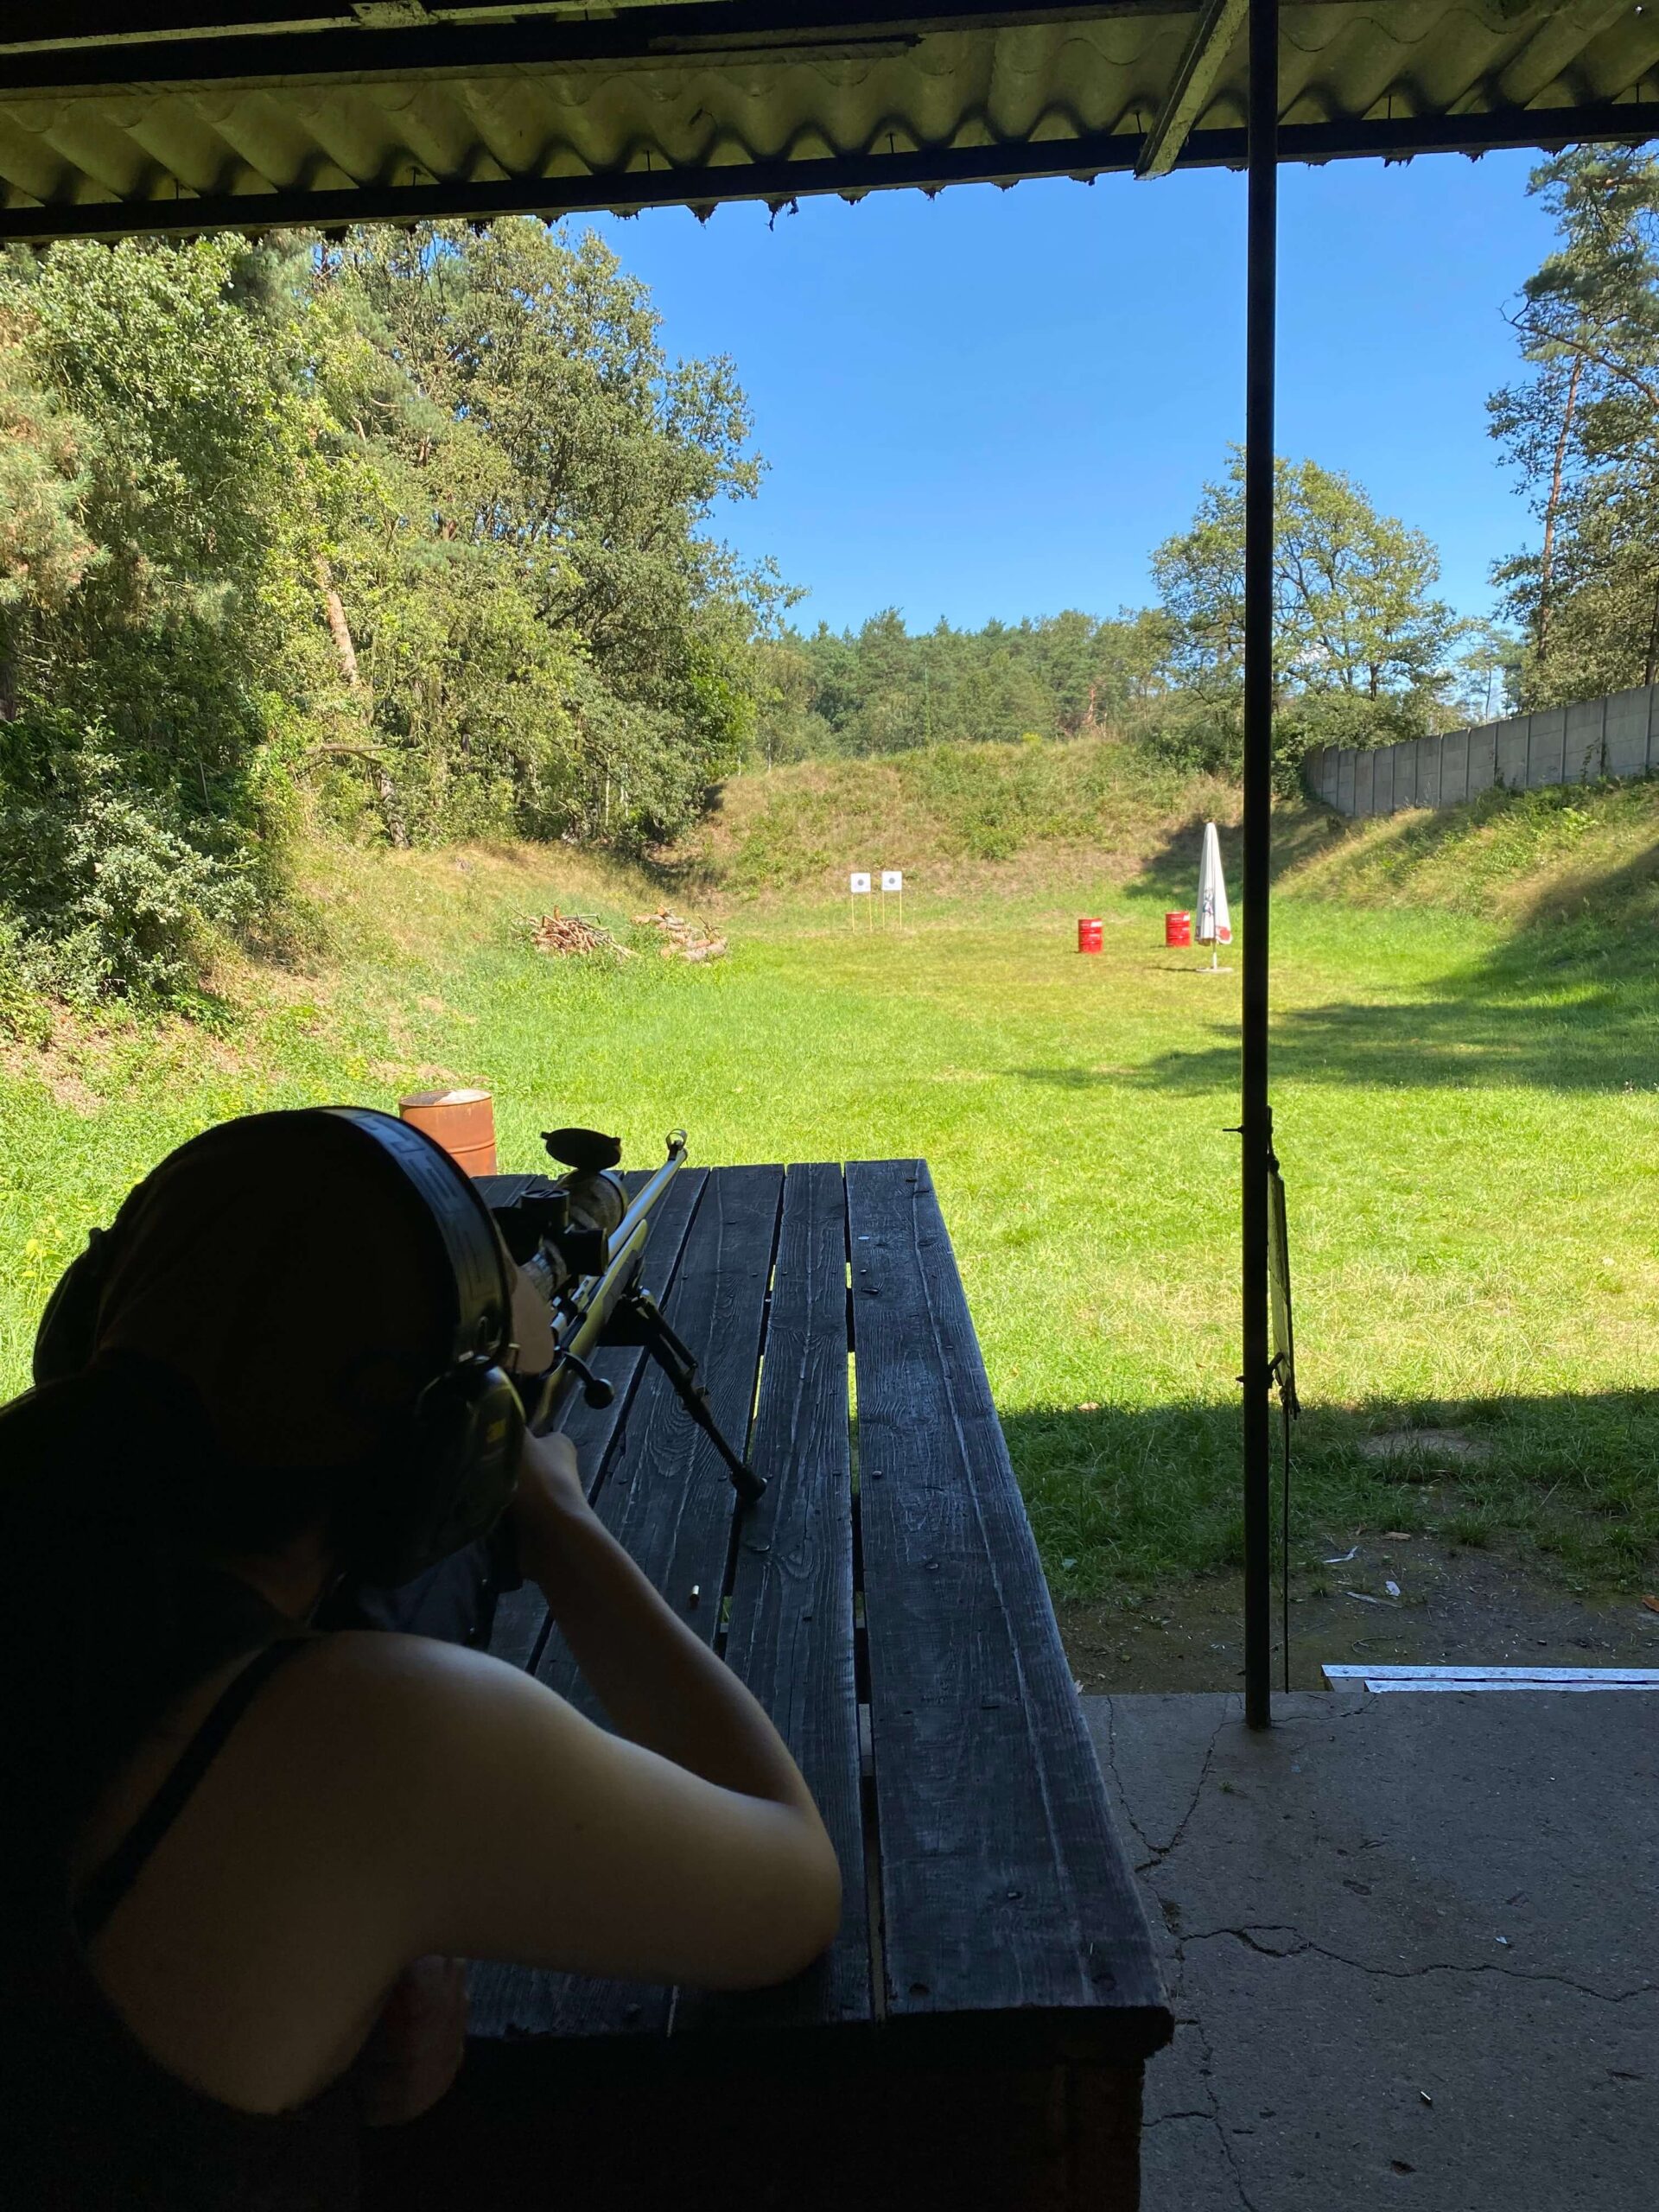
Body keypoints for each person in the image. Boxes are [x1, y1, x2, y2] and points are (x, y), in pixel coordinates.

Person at [0, 1107, 841, 2209]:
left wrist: (386, 1926)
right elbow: (792, 1890)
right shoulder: (369, 1737)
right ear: (451, 1462)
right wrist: (560, 1521)